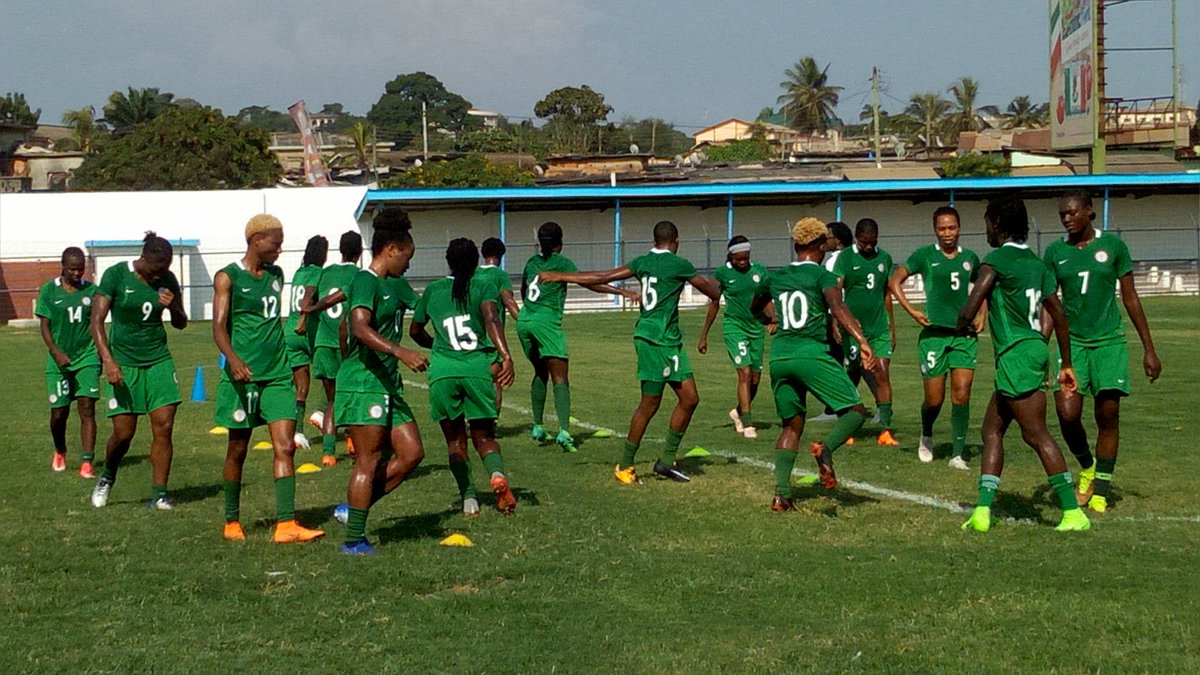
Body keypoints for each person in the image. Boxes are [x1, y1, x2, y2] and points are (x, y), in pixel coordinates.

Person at [539, 220, 720, 484]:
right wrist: (720, 283)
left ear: (654, 240)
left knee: (690, 398)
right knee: (650, 403)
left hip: (669, 341)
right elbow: (712, 292)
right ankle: (625, 465)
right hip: (654, 340)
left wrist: (561, 276)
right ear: (676, 241)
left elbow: (603, 276)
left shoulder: (642, 262)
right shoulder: (680, 265)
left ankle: (666, 461)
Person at [957, 196, 1090, 533]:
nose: (985, 227)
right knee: (992, 430)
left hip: (1016, 354)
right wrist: (1067, 363)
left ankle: (1073, 512)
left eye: (987, 220)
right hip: (1031, 350)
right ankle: (983, 510)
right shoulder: (1036, 263)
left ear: (998, 224)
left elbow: (971, 306)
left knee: (1036, 435)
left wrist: (961, 325)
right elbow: (1059, 314)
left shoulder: (996, 260)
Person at [1044, 190, 1161, 513]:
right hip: (1073, 345)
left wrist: (1149, 350)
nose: (1067, 219)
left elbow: (1131, 297)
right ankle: (1087, 466)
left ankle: (1101, 491)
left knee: (1107, 416)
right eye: (1062, 215)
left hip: (1109, 342)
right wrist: (1042, 346)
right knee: (1067, 414)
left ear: (1089, 211)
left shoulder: (1113, 247)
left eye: (1071, 212)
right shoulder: (1055, 252)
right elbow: (1050, 304)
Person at [750, 217, 877, 509]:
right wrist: (862, 340)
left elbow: (755, 306)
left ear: (796, 246)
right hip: (811, 354)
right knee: (856, 411)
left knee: (791, 427)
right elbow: (838, 307)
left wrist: (769, 318)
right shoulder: (822, 276)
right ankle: (826, 450)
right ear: (820, 246)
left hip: (780, 356)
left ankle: (782, 495)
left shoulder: (776, 276)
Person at [213, 214, 325, 543]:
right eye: (275, 242)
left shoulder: (276, 275)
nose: (280, 249)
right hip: (243, 377)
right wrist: (233, 360)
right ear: (256, 240)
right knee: (237, 449)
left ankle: (286, 525)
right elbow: (218, 327)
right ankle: (232, 521)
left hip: (278, 374)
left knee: (285, 447)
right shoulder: (227, 277)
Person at [335, 208, 430, 555]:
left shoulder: (392, 285)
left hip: (387, 384)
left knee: (412, 453)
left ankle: (352, 509)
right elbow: (357, 327)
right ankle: (353, 541)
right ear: (390, 249)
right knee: (368, 460)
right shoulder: (364, 280)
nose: (408, 264)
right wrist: (400, 352)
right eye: (406, 256)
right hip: (364, 383)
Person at [410, 238, 518, 516]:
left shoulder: (433, 290)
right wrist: (506, 355)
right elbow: (492, 318)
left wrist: (436, 344)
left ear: (447, 261)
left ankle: (469, 498)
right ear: (475, 263)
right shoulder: (483, 285)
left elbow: (415, 330)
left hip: (443, 373)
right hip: (476, 370)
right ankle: (496, 475)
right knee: (484, 437)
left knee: (455, 441)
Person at [516, 222, 637, 452]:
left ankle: (538, 426)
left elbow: (523, 290)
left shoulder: (531, 262)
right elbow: (590, 283)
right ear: (560, 243)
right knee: (560, 377)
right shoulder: (562, 263)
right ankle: (564, 431)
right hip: (546, 322)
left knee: (540, 372)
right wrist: (621, 291)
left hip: (525, 320)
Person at [89, 233, 188, 510]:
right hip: (124, 363)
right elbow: (96, 322)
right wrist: (108, 361)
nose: (160, 275)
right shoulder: (116, 275)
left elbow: (181, 323)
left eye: (165, 269)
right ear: (143, 259)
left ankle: (159, 494)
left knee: (164, 426)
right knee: (123, 433)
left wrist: (174, 307)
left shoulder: (167, 280)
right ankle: (107, 477)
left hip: (158, 360)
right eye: (157, 269)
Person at [888, 206, 983, 469]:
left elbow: (982, 287)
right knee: (934, 399)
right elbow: (895, 281)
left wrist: (982, 313)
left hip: (964, 336)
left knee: (961, 394)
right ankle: (926, 433)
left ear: (959, 228)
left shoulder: (971, 258)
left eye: (952, 227)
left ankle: (957, 453)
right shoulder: (925, 256)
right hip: (933, 337)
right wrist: (912, 312)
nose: (947, 233)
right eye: (942, 228)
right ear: (935, 230)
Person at [697, 235, 776, 439]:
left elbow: (765, 297)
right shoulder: (723, 274)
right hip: (735, 327)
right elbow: (714, 302)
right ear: (730, 256)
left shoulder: (759, 271)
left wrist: (773, 318)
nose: (742, 262)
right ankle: (748, 424)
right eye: (738, 259)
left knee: (756, 379)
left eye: (745, 258)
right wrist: (704, 335)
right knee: (745, 373)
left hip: (756, 328)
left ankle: (739, 412)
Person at [833, 218, 898, 446]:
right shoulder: (845, 258)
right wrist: (835, 322)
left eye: (872, 242)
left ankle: (886, 429)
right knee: (852, 374)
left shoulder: (885, 258)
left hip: (878, 328)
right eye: (864, 243)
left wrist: (891, 326)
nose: (868, 247)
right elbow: (836, 292)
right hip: (853, 328)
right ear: (856, 239)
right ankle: (847, 427)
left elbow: (886, 294)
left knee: (881, 372)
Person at [36, 247, 100, 477]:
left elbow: (97, 323)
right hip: (58, 359)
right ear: (62, 266)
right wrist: (56, 352)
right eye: (72, 268)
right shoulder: (49, 291)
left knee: (87, 407)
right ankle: (60, 450)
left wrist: (102, 353)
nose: (77, 273)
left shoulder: (92, 291)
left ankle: (87, 462)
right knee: (59, 413)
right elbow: (44, 325)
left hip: (87, 356)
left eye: (81, 269)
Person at [304, 231, 363, 467]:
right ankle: (353, 442)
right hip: (346, 344)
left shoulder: (325, 273)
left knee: (331, 401)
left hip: (322, 343)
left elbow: (309, 300)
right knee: (353, 397)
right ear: (359, 253)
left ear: (339, 250)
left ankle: (328, 453)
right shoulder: (360, 276)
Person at [284, 235, 329, 450]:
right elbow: (307, 298)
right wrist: (304, 319)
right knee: (333, 371)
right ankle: (321, 412)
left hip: (290, 333)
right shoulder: (318, 273)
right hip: (307, 330)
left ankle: (297, 433)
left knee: (301, 387)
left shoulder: (298, 272)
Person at [476, 237, 521, 412]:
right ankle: (490, 423)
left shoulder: (473, 274)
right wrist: (525, 321)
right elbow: (508, 301)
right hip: (492, 338)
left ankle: (469, 418)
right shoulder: (500, 276)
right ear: (500, 255)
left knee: (474, 379)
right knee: (496, 381)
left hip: (471, 337)